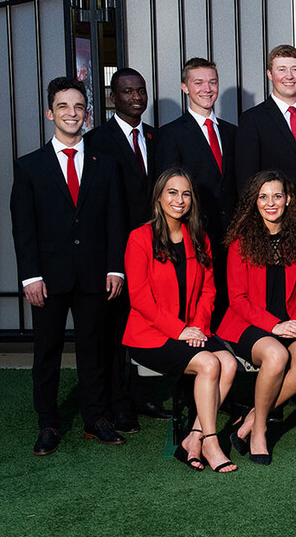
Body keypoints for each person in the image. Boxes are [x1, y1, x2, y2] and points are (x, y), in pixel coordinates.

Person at [12, 77, 127, 455]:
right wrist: (31, 275)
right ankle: (48, 423)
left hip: (95, 275)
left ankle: (96, 419)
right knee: (47, 352)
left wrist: (115, 268)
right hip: (47, 277)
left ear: (88, 113)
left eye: (78, 107)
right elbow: (24, 226)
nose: (71, 113)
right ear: (50, 113)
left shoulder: (105, 165)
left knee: (94, 350)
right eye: (63, 106)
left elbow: (116, 220)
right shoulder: (29, 167)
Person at [122, 168, 238, 472]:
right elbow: (140, 299)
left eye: (186, 193)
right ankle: (211, 442)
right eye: (172, 192)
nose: (179, 199)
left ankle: (194, 436)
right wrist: (181, 330)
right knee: (210, 364)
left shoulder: (198, 237)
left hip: (192, 329)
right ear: (159, 197)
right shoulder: (140, 238)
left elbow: (209, 288)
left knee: (229, 363)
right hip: (152, 335)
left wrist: (196, 327)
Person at [84, 68, 167, 430]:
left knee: (148, 321)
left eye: (141, 90)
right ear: (112, 98)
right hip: (117, 250)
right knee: (116, 329)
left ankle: (140, 395)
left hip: (156, 249)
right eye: (127, 91)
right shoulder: (97, 141)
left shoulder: (156, 137)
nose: (136, 97)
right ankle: (117, 404)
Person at [216, 171, 296, 464]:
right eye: (263, 196)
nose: (270, 203)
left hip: (291, 321)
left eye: (277, 196)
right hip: (249, 323)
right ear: (254, 202)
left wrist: (295, 323)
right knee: (276, 356)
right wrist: (274, 326)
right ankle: (259, 430)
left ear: (288, 200)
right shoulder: (240, 242)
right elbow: (237, 299)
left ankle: (248, 420)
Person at [157, 57, 238, 326]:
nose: (207, 88)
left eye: (212, 82)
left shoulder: (232, 132)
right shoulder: (170, 135)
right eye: (199, 82)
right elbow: (168, 191)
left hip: (231, 235)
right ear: (184, 87)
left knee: (230, 303)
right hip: (193, 235)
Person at [236, 44, 296, 230]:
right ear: (270, 74)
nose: (289, 76)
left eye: (295, 69)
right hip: (274, 225)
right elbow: (247, 181)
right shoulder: (253, 120)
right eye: (282, 70)